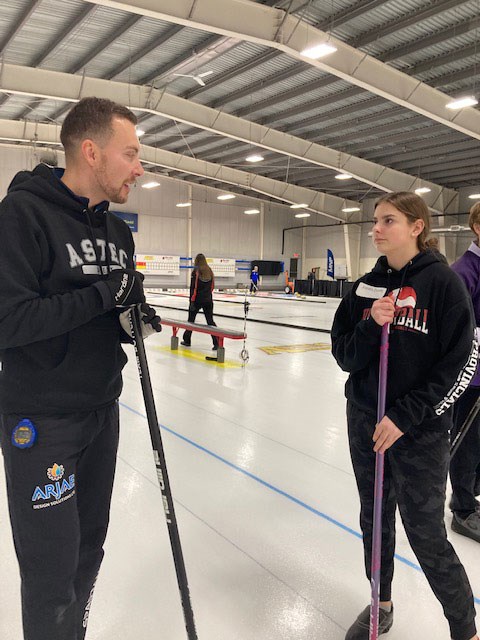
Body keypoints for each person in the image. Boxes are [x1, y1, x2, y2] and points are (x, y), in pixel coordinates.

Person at [0, 97, 161, 640]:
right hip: (42, 422)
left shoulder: (118, 233)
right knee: (51, 572)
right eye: (131, 154)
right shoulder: (22, 215)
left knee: (89, 550)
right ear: (91, 152)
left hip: (100, 414)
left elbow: (108, 311)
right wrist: (101, 297)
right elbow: (10, 320)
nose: (140, 168)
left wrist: (130, 320)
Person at [331, 191, 478, 640]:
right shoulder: (366, 286)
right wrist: (370, 324)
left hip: (418, 433)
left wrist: (406, 415)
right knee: (374, 520)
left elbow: (460, 364)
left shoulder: (444, 285)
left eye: (388, 221)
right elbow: (344, 355)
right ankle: (382, 602)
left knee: (426, 533)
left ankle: (465, 629)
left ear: (417, 227)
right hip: (365, 423)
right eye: (375, 220)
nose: (376, 229)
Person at [449, 201, 480, 542]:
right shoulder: (464, 271)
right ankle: (462, 509)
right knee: (467, 442)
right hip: (471, 376)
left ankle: (472, 496)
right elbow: (459, 327)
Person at [181, 253, 218, 350]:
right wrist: (207, 295)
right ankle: (217, 342)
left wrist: (191, 301)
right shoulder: (209, 271)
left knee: (191, 321)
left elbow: (193, 288)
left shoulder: (196, 272)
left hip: (197, 300)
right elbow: (212, 286)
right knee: (210, 321)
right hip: (208, 300)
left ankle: (187, 340)